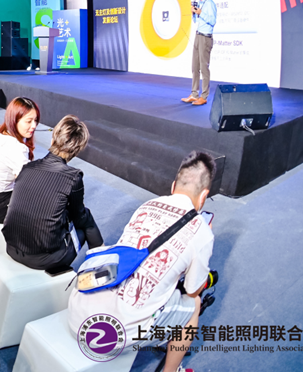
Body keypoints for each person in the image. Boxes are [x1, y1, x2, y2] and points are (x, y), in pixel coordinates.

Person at [68, 152, 217, 372]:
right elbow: (193, 290)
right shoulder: (201, 231)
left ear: (173, 186)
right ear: (204, 196)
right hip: (112, 334)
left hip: (77, 311)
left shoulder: (148, 205)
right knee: (193, 305)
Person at [2, 115, 102, 273]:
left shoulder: (27, 168)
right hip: (45, 260)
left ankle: (102, 258)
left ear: (52, 139)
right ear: (77, 150)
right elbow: (79, 217)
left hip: (12, 248)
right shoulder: (72, 177)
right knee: (85, 221)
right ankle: (101, 262)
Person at [0, 97, 38, 223]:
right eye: (29, 121)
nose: (34, 126)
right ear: (15, 119)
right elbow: (28, 184)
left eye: (36, 120)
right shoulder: (16, 147)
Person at [183, 0, 217, 106]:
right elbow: (196, 21)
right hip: (198, 36)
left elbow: (212, 21)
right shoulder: (200, 3)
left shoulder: (210, 4)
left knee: (204, 68)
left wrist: (200, 13)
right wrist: (194, 13)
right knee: (195, 67)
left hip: (205, 38)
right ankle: (194, 94)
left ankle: (204, 96)